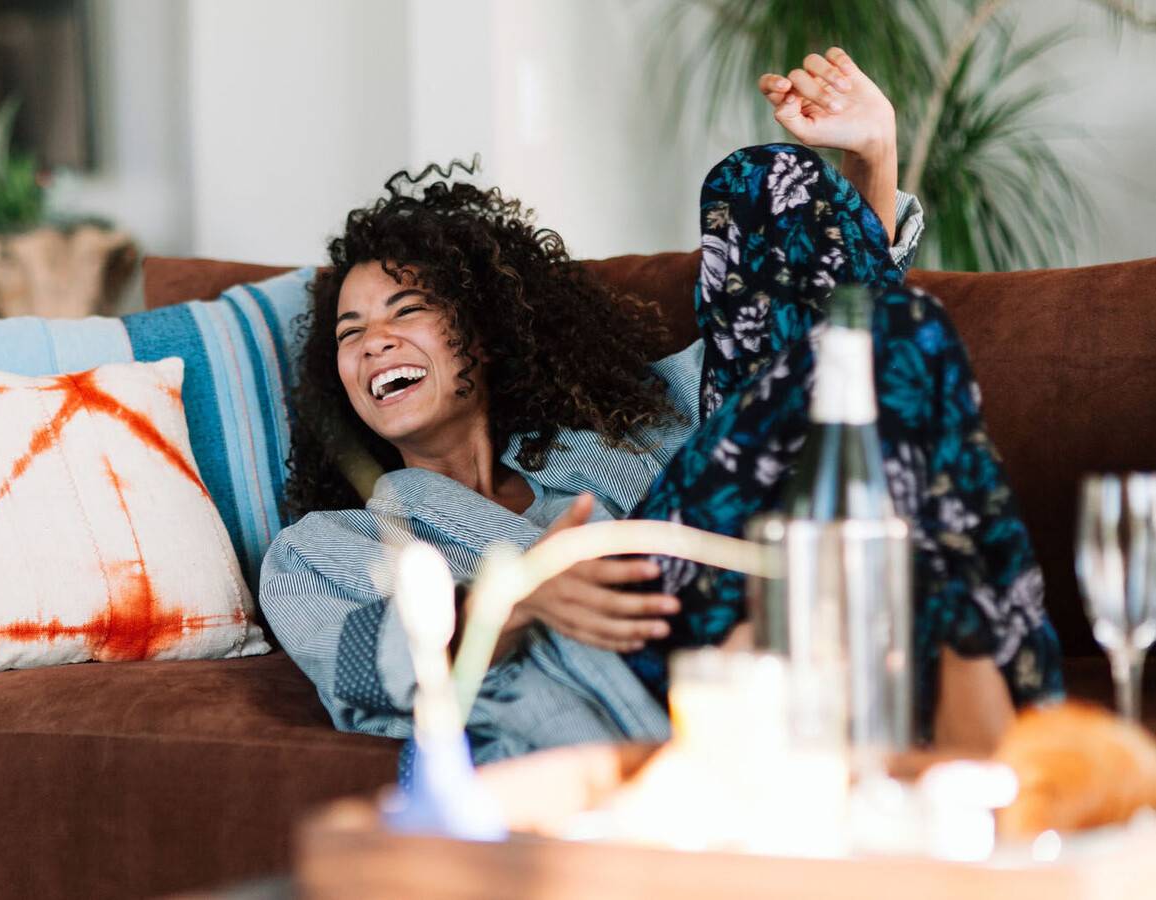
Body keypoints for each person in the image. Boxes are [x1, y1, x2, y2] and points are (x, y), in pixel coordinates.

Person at [259, 48, 1062, 771]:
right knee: (899, 331)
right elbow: (355, 666)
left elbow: (811, 352)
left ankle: (967, 717)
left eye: (406, 311)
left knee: (760, 184)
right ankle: (1003, 724)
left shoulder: (613, 429)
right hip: (627, 682)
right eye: (350, 332)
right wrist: (517, 597)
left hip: (763, 582)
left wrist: (871, 159)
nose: (374, 342)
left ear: (483, 336)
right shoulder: (321, 545)